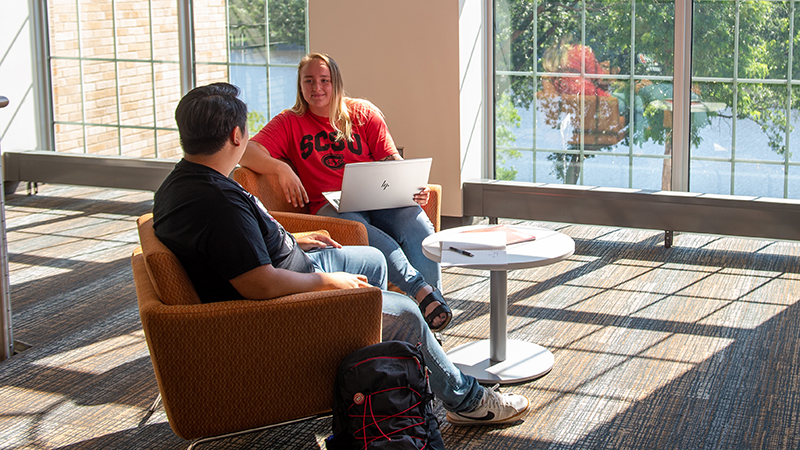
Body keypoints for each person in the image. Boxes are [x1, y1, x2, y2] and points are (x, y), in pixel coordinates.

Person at [152, 82, 530, 427]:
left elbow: (234, 248)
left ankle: (381, 367)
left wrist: (294, 237)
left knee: (374, 259)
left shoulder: (184, 182)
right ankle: (465, 399)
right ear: (236, 136)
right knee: (407, 313)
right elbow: (259, 283)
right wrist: (328, 282)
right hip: (282, 308)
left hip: (293, 267)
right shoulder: (219, 204)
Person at [239, 52, 451, 333]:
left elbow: (390, 160)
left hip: (377, 196)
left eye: (324, 80)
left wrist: (411, 187)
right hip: (330, 205)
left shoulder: (363, 113)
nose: (317, 88)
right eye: (309, 81)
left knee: (417, 223)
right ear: (300, 86)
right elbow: (247, 151)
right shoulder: (289, 122)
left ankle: (430, 311)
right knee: (365, 233)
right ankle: (422, 292)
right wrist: (281, 168)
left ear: (336, 82)